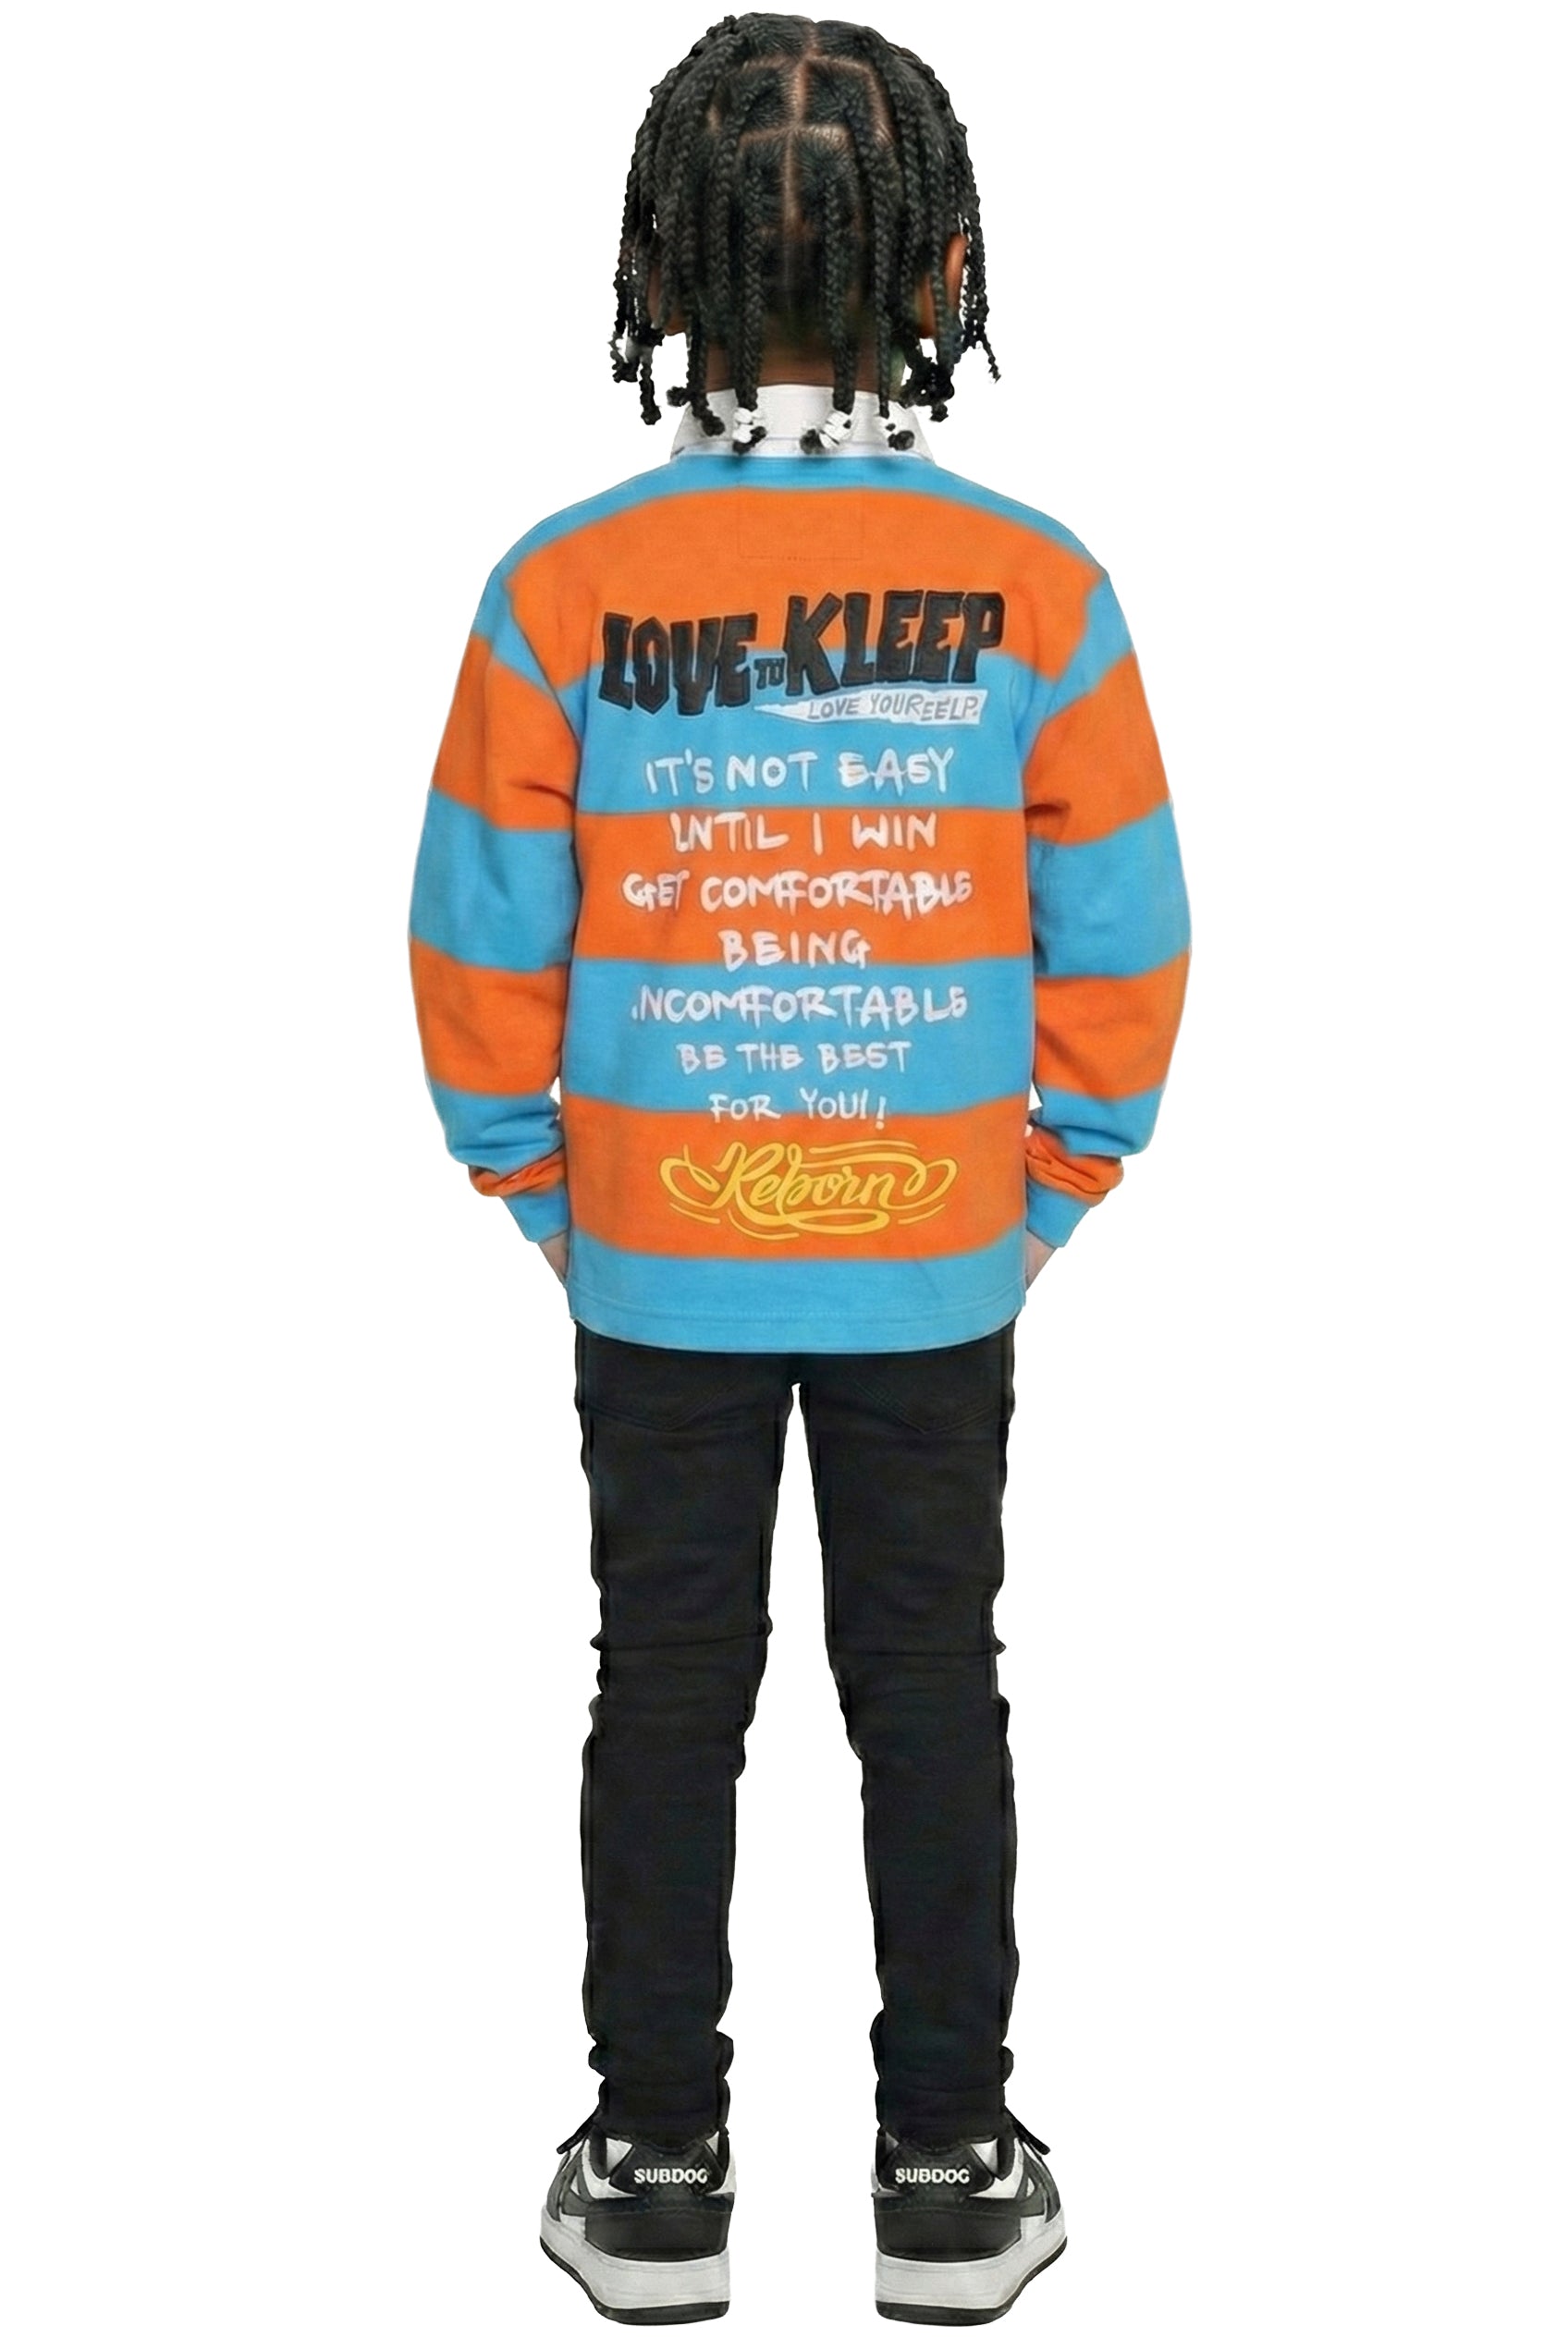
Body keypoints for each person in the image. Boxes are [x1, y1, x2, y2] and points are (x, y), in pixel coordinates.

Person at [408, 13, 1189, 2322]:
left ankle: (655, 2165)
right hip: (933, 1260)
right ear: (940, 267)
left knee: (663, 1685)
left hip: (653, 1257)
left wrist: (541, 1193)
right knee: (928, 1681)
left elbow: (477, 931)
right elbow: (1124, 933)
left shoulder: (557, 587)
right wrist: (1044, 1190)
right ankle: (946, 2165)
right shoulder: (1037, 588)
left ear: (659, 264)